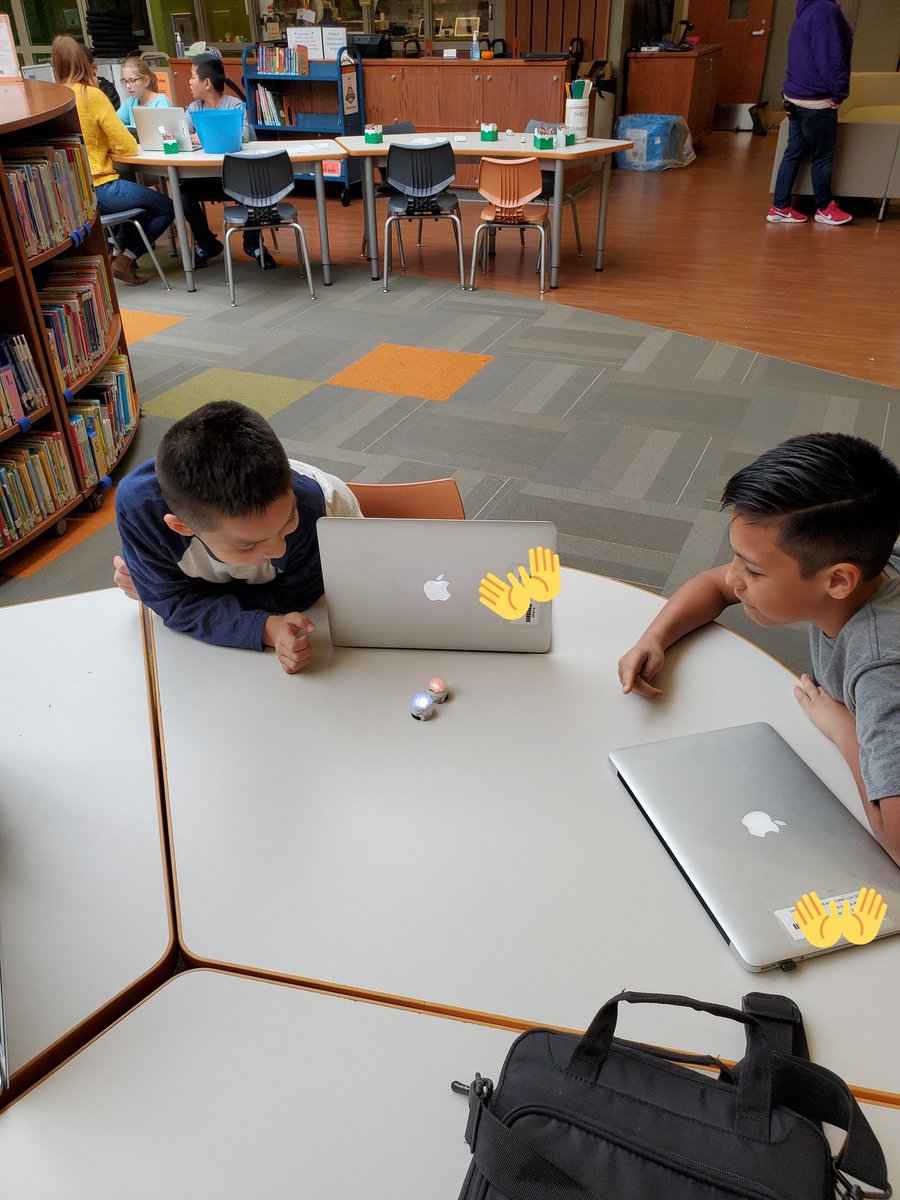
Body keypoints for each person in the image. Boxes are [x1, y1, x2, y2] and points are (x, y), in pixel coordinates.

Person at [617, 433, 900, 864]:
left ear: (838, 581)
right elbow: (714, 586)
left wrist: (842, 726)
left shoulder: (880, 671)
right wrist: (653, 638)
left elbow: (897, 838)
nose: (733, 579)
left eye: (752, 570)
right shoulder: (870, 563)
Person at [113, 401, 362, 673]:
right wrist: (264, 626)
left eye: (288, 520)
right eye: (248, 546)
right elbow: (175, 602)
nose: (279, 550)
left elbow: (291, 599)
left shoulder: (317, 511)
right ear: (182, 527)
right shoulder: (140, 511)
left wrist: (160, 591)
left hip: (341, 557)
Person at [50, 36, 175, 287]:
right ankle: (125, 260)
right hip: (100, 186)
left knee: (135, 207)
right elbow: (126, 146)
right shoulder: (92, 96)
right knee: (166, 207)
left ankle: (118, 257)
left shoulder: (55, 97)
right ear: (87, 64)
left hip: (70, 193)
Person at [180, 54, 276, 270]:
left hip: (236, 178)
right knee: (184, 194)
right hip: (206, 178)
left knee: (256, 190)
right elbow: (184, 137)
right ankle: (206, 244)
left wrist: (202, 138)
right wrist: (209, 137)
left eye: (192, 77)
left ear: (206, 83)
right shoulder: (194, 109)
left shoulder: (235, 106)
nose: (189, 82)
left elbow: (240, 136)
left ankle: (253, 244)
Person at [767, 0, 854, 226]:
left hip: (795, 95)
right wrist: (839, 92)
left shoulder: (807, 10)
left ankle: (780, 206)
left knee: (794, 151)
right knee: (823, 156)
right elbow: (830, 56)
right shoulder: (824, 11)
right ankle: (825, 208)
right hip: (815, 100)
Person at [116, 55, 172, 129]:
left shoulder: (161, 101)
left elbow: (163, 131)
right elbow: (113, 123)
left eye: (132, 81)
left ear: (146, 81)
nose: (128, 86)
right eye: (125, 81)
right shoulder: (131, 101)